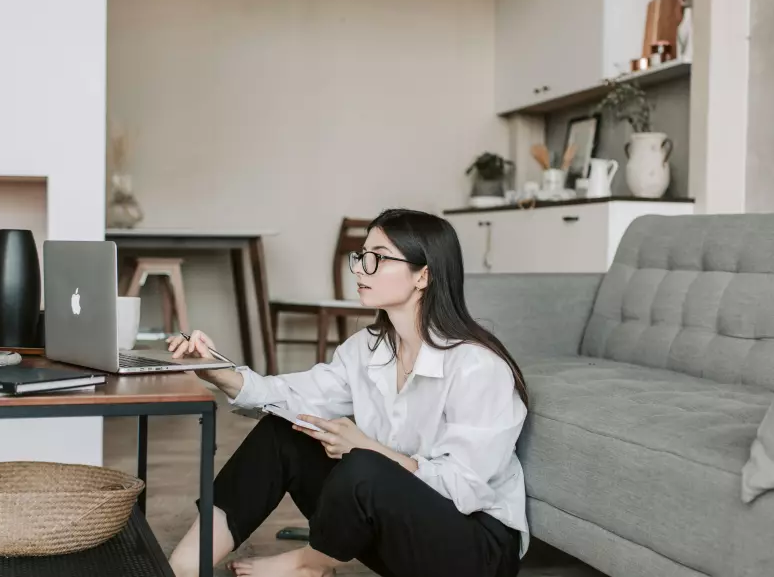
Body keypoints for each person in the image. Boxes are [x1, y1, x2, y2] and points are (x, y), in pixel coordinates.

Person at [165, 208, 530, 577]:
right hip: (403, 535)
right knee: (284, 432)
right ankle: (182, 568)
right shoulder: (369, 347)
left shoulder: (477, 367)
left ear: (424, 275)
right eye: (361, 256)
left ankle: (311, 563)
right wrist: (218, 371)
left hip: (475, 551)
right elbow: (291, 396)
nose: (358, 268)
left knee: (365, 466)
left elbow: (463, 487)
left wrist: (367, 448)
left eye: (378, 259)